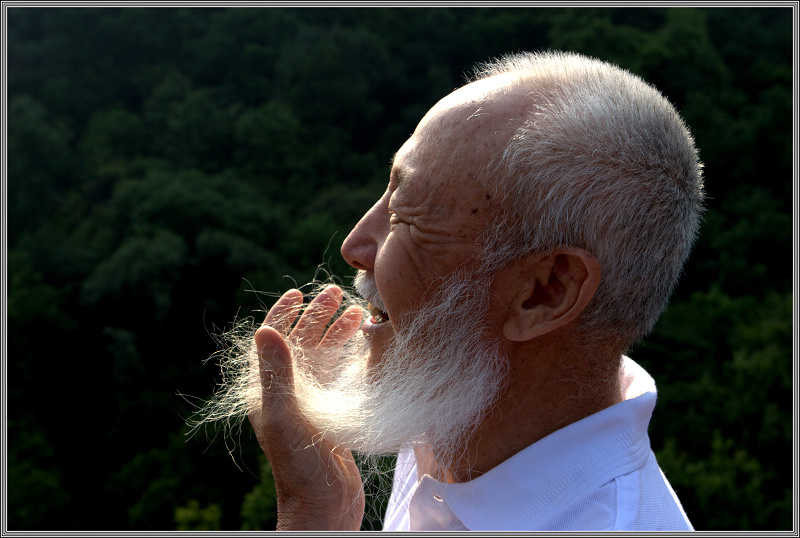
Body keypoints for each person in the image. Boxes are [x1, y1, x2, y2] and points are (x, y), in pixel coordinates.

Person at [197, 50, 704, 530]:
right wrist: (326, 515)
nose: (355, 244)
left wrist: (306, 516)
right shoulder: (461, 422)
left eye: (403, 215)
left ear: (545, 292)